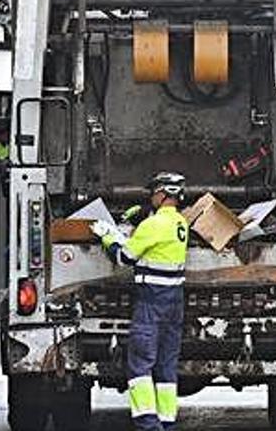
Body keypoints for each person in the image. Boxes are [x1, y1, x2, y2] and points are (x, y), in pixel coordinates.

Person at [91, 172, 188, 431]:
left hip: (152, 302)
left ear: (163, 194)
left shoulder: (153, 225)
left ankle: (148, 424)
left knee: (140, 366)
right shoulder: (180, 223)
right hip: (174, 302)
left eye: (154, 192)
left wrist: (107, 236)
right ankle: (166, 423)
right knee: (166, 368)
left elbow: (125, 257)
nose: (151, 197)